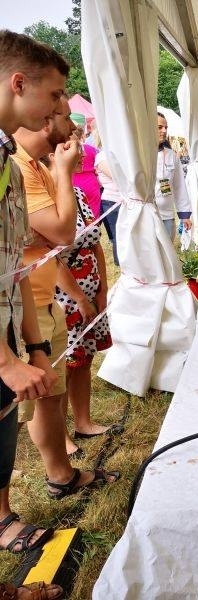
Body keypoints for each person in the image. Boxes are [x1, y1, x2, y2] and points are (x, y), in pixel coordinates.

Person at [12, 95, 120, 499]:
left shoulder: (37, 166)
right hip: (32, 300)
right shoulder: (27, 167)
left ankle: (62, 473)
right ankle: (49, 479)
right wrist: (63, 169)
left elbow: (65, 235)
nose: (69, 119)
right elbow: (60, 234)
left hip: (41, 297)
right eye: (57, 107)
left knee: (51, 392)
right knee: (39, 398)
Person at [0, 29, 63, 567]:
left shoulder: (9, 159)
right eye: (57, 94)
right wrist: (6, 361)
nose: (60, 108)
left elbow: (14, 256)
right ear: (18, 84)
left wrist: (33, 343)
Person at [49, 161, 114, 442]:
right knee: (65, 364)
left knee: (85, 357)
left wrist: (102, 288)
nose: (77, 151)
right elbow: (51, 259)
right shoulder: (45, 198)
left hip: (91, 288)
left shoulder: (76, 192)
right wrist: (79, 299)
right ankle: (60, 435)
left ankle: (83, 422)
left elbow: (95, 241)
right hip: (65, 297)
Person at [155, 112, 191, 239]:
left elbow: (179, 185)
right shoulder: (141, 156)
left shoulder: (172, 155)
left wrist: (184, 214)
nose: (164, 131)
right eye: (159, 127)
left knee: (168, 254)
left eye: (166, 127)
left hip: (167, 216)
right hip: (147, 216)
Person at [95, 133, 122, 265]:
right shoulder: (102, 156)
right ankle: (120, 263)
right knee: (118, 234)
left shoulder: (119, 153)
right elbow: (117, 176)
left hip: (123, 200)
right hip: (112, 201)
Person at [69, 113, 102, 218]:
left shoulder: (68, 149)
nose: (83, 155)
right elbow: (98, 168)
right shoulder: (91, 149)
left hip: (73, 182)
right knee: (92, 218)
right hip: (90, 184)